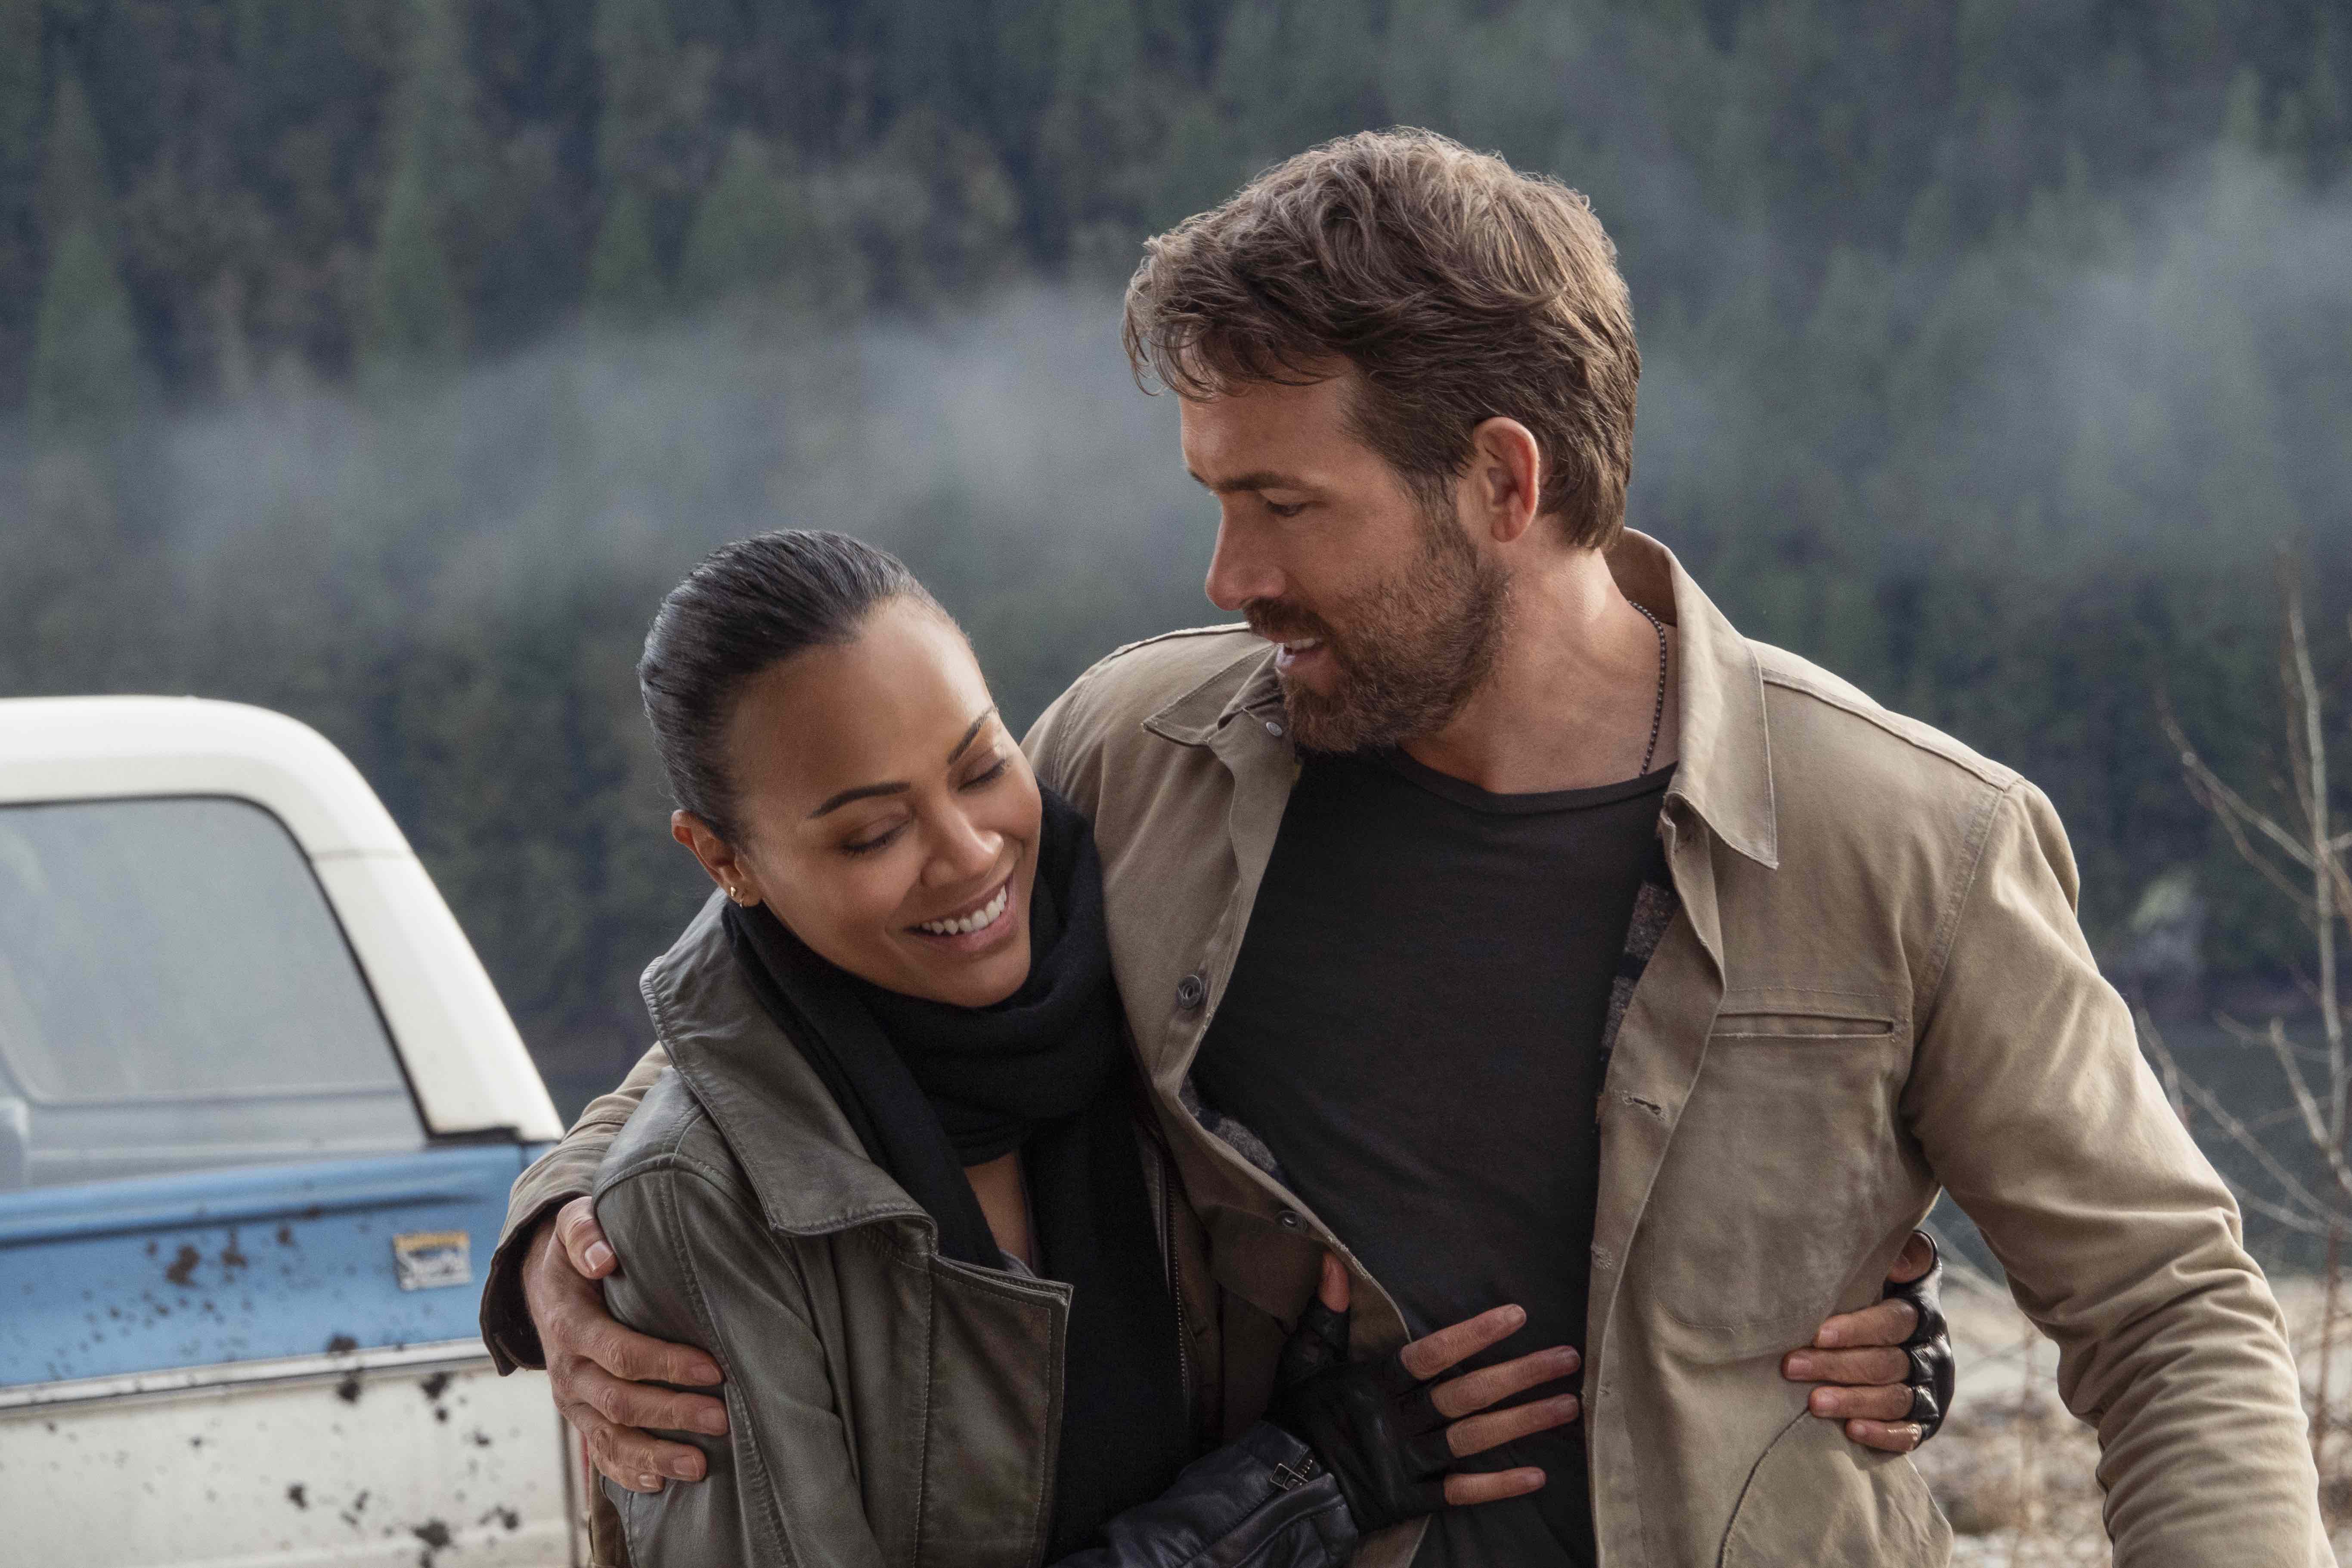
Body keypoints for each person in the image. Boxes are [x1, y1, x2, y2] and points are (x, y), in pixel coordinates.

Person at [479, 123, 2352, 1568]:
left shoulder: (1909, 841)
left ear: (1502, 482)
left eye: (1283, 504)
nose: (1228, 573)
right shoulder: (1145, 754)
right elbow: (812, 982)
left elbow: (2170, 1310)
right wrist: (564, 1219)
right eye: (1215, 499)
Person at [580, 530, 1597, 1567]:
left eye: (981, 767)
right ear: (723, 860)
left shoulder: (1143, 953)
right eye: (873, 835)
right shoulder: (698, 1205)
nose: (970, 855)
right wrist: (1291, 1491)